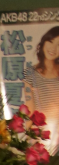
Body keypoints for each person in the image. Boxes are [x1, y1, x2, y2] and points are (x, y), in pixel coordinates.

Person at [24, 26, 59, 154]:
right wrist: (26, 138)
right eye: (51, 41)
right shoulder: (30, 73)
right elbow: (30, 109)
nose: (53, 48)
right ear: (44, 42)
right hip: (40, 137)